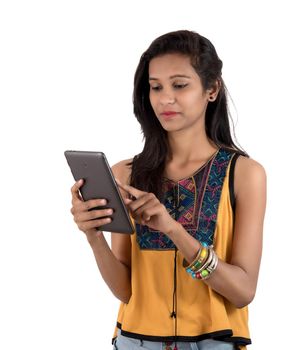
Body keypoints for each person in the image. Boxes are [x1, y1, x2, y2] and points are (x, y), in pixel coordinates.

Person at [70, 30, 266, 350]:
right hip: (135, 341)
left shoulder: (244, 174)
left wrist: (173, 229)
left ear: (212, 89)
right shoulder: (125, 174)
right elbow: (125, 290)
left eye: (180, 85)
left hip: (212, 343)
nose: (165, 98)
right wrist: (93, 236)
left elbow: (243, 291)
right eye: (156, 87)